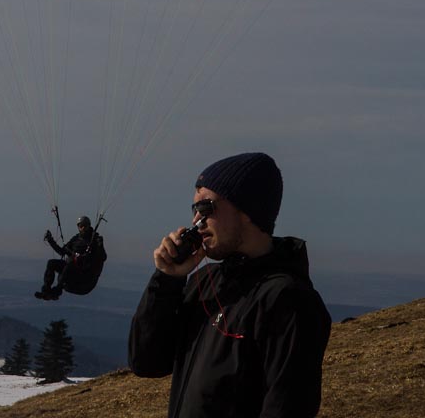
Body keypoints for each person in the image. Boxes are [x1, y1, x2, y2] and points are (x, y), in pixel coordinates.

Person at [128, 152, 331, 417]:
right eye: (194, 210)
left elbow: (287, 407)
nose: (196, 222)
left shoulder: (288, 299)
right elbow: (147, 362)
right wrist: (167, 279)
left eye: (205, 208)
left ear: (246, 209)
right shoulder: (205, 282)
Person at [35, 215, 107, 300]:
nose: (83, 228)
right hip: (72, 273)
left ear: (89, 226)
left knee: (70, 264)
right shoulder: (76, 239)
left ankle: (56, 292)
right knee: (51, 263)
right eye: (81, 226)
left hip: (85, 278)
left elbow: (103, 257)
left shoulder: (94, 240)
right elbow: (62, 252)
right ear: (78, 227)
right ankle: (46, 291)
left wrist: (100, 246)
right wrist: (50, 240)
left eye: (85, 225)